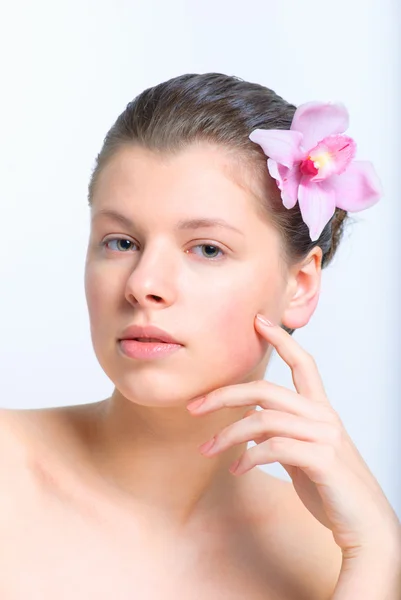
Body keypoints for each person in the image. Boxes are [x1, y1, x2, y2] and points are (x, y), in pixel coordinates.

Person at [0, 72, 399, 599]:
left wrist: (377, 557)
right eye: (120, 242)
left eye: (206, 249)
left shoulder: (337, 556)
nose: (143, 285)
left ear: (300, 285)